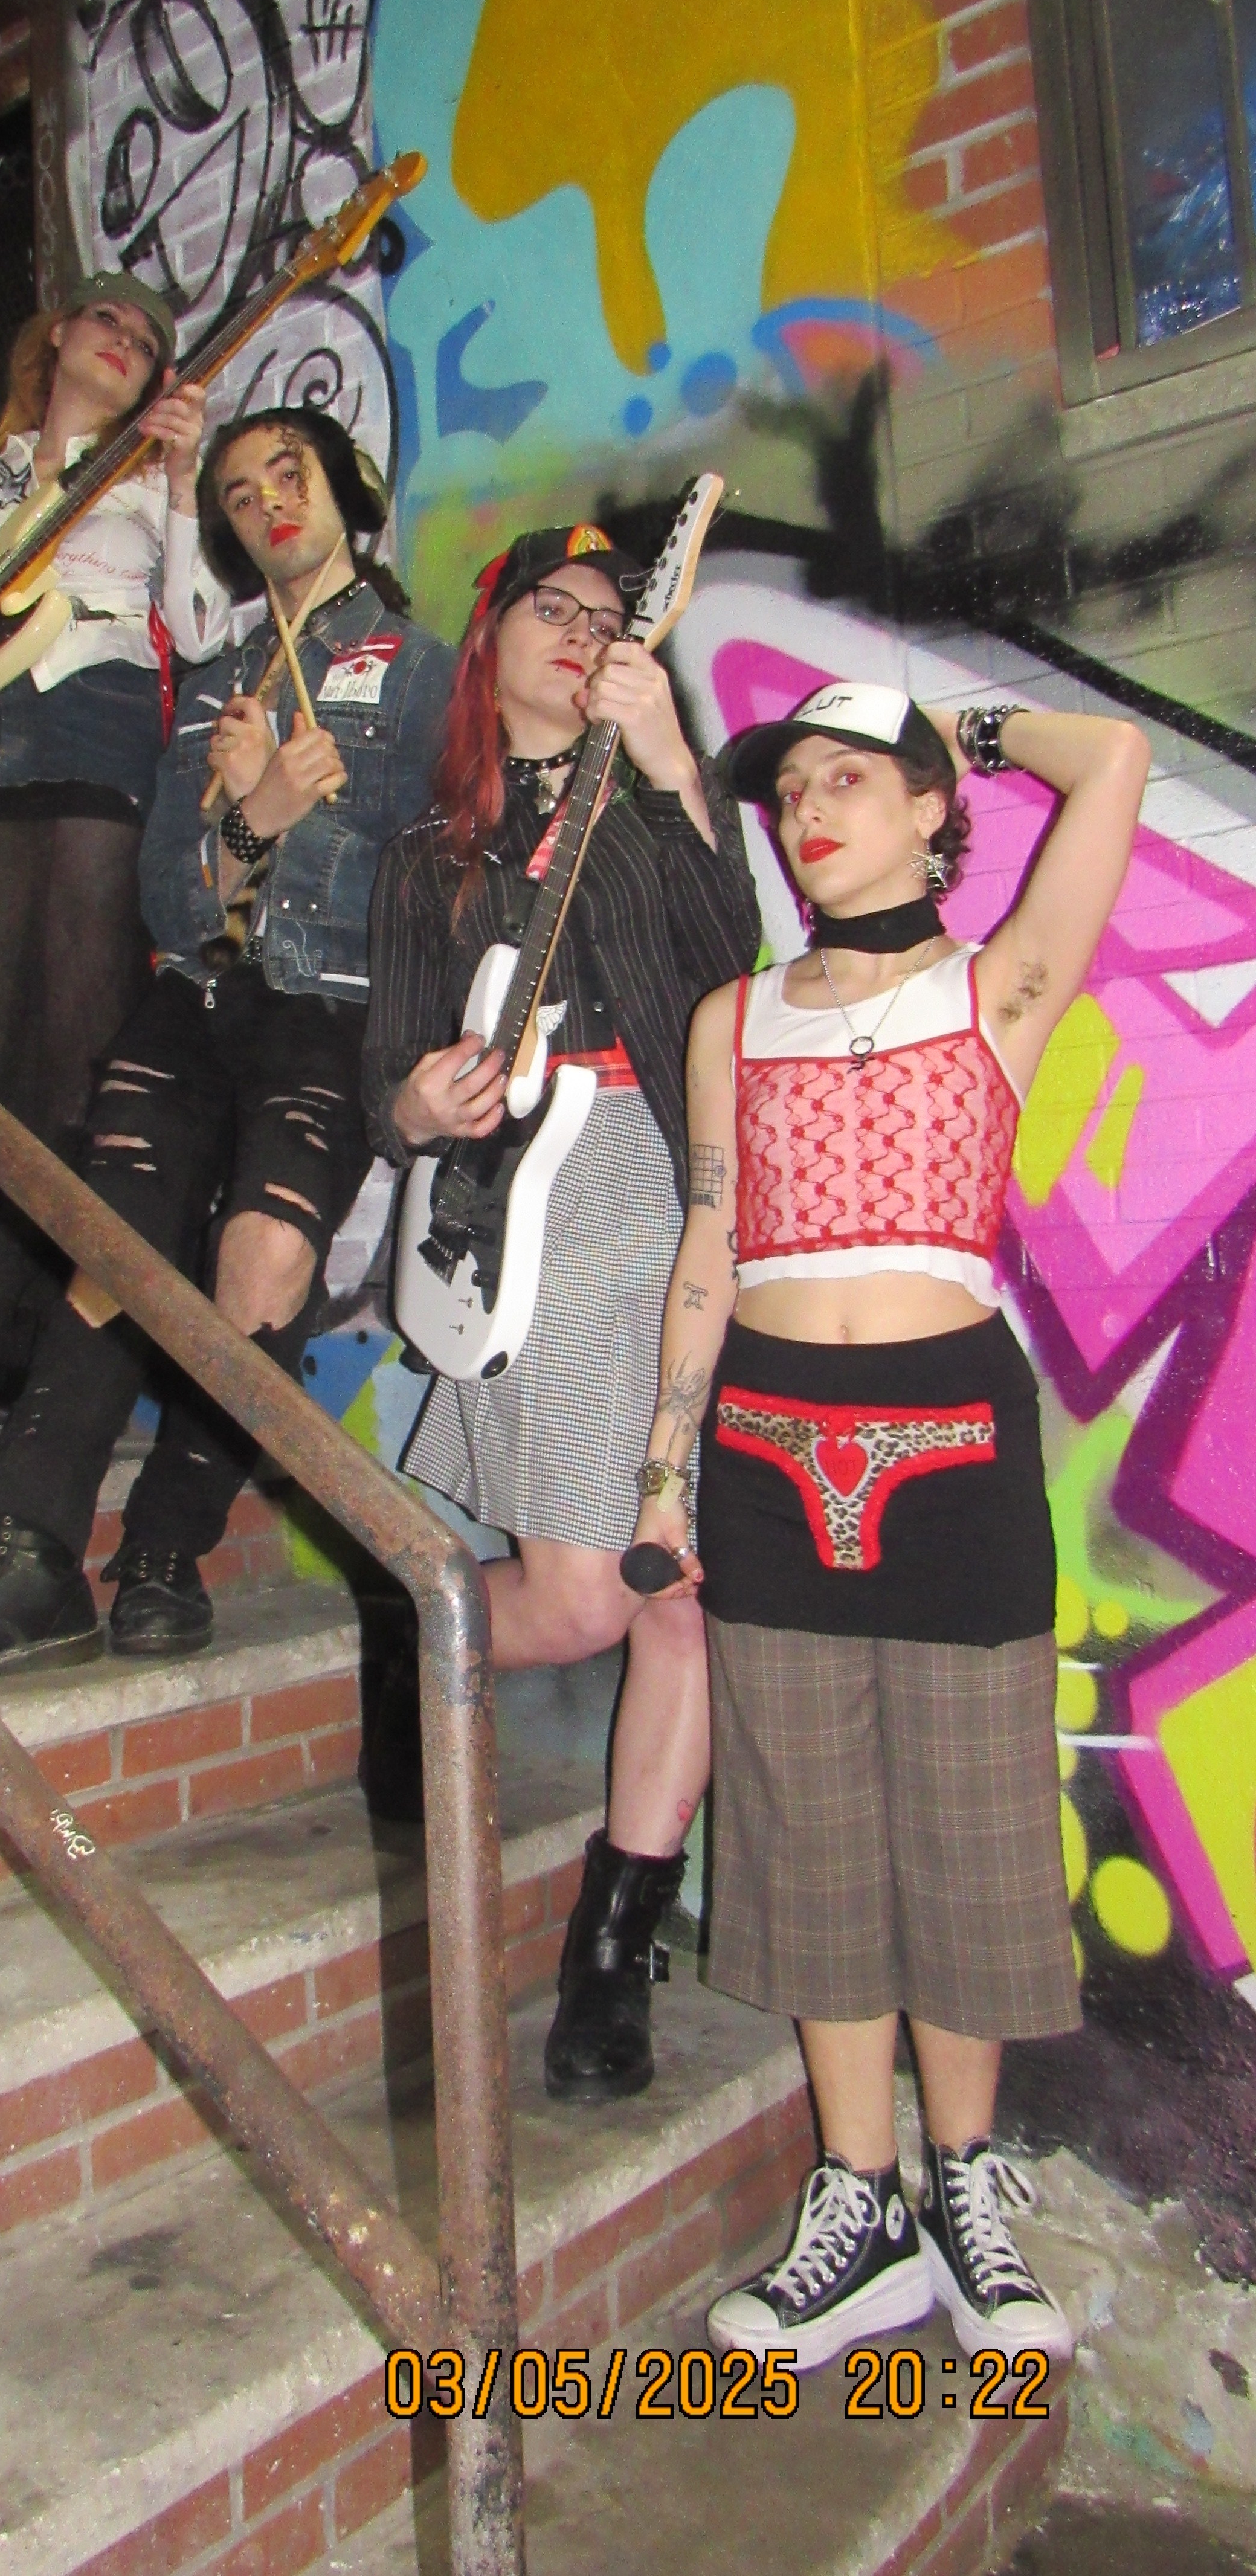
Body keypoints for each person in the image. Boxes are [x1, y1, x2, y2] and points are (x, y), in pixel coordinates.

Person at [627, 679, 1150, 2365]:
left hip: (955, 1448)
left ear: (933, 810)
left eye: (859, 780)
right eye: (796, 789)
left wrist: (965, 727)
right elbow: (709, 1243)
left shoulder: (997, 988)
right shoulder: (735, 1015)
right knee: (805, 1830)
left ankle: (964, 2192)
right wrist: (661, 1467)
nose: (816, 809)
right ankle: (855, 2205)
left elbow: (1118, 760)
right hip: (770, 1447)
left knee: (974, 1831)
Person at [0, 406, 453, 1696]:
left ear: (345, 491)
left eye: (291, 475)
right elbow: (174, 906)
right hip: (197, 1001)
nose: (269, 502)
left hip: (332, 1009)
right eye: (237, 493)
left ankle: (165, 1548)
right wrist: (240, 826)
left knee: (263, 1267)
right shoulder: (219, 684)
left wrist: (297, 819)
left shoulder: (420, 672)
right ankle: (26, 1547)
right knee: (111, 1247)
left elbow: (425, 872)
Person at [363, 526, 761, 2100]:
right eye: (555, 610)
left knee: (684, 1595)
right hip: (533, 1219)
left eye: (611, 619)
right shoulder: (427, 858)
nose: (586, 634)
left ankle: (612, 1953)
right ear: (496, 640)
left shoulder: (651, 823)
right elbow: (386, 1083)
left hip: (681, 1201)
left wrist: (674, 768)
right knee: (591, 1600)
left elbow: (738, 974)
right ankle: (416, 1640)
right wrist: (418, 1095)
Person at [0, 272, 227, 1476]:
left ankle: (32, 1360)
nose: (127, 342)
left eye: (149, 339)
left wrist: (182, 480)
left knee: (77, 1047)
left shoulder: (151, 474)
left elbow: (202, 619)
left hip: (102, 717)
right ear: (62, 336)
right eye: (110, 321)